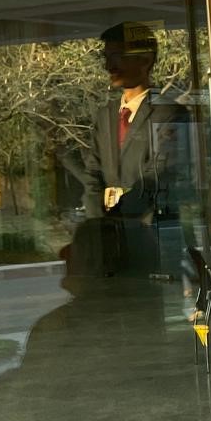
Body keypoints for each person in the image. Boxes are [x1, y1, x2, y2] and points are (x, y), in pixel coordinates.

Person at [79, 21, 192, 276]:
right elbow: (92, 174)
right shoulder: (105, 116)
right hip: (109, 241)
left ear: (145, 60)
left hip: (152, 236)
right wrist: (100, 223)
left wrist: (119, 214)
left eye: (117, 56)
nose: (109, 65)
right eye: (107, 57)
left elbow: (160, 174)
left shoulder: (169, 112)